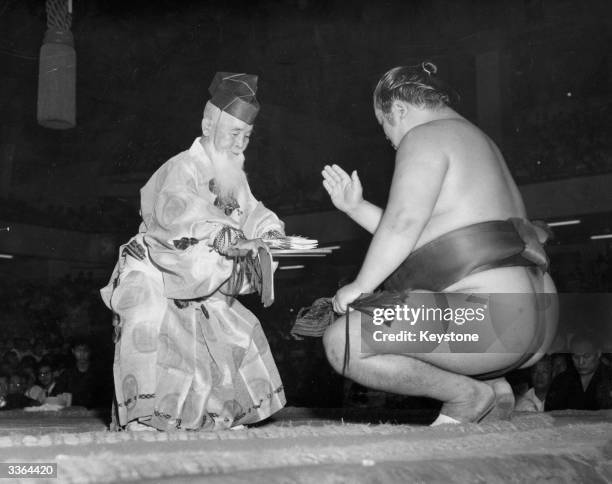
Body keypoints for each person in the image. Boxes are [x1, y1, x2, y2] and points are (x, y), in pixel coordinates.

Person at [321, 61, 558, 425]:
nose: (388, 137)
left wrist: (359, 287)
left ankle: (467, 394)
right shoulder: (478, 139)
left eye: (385, 125)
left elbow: (402, 225)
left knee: (345, 343)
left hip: (489, 319)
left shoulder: (424, 136)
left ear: (398, 109)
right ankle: (493, 387)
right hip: (535, 323)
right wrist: (356, 208)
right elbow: (433, 235)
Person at [101, 72, 286, 431]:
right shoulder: (181, 167)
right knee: (147, 319)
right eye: (234, 134)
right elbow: (179, 217)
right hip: (154, 264)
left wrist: (270, 233)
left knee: (231, 328)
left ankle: (216, 416)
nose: (240, 145)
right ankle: (143, 418)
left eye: (247, 136)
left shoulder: (234, 175)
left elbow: (253, 212)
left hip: (203, 270)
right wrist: (222, 238)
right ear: (207, 125)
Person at [545, 334, 612, 411]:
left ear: (598, 353)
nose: (581, 362)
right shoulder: (561, 381)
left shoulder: (609, 378)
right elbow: (550, 415)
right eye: (576, 357)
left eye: (586, 356)